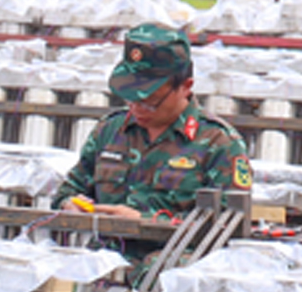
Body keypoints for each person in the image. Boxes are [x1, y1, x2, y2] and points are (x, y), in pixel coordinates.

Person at [53, 23, 251, 217]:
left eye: (151, 102)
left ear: (185, 87)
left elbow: (228, 222)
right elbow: (67, 191)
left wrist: (144, 222)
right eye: (130, 98)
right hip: (103, 248)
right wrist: (69, 203)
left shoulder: (219, 143)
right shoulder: (110, 130)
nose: (137, 108)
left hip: (176, 249)